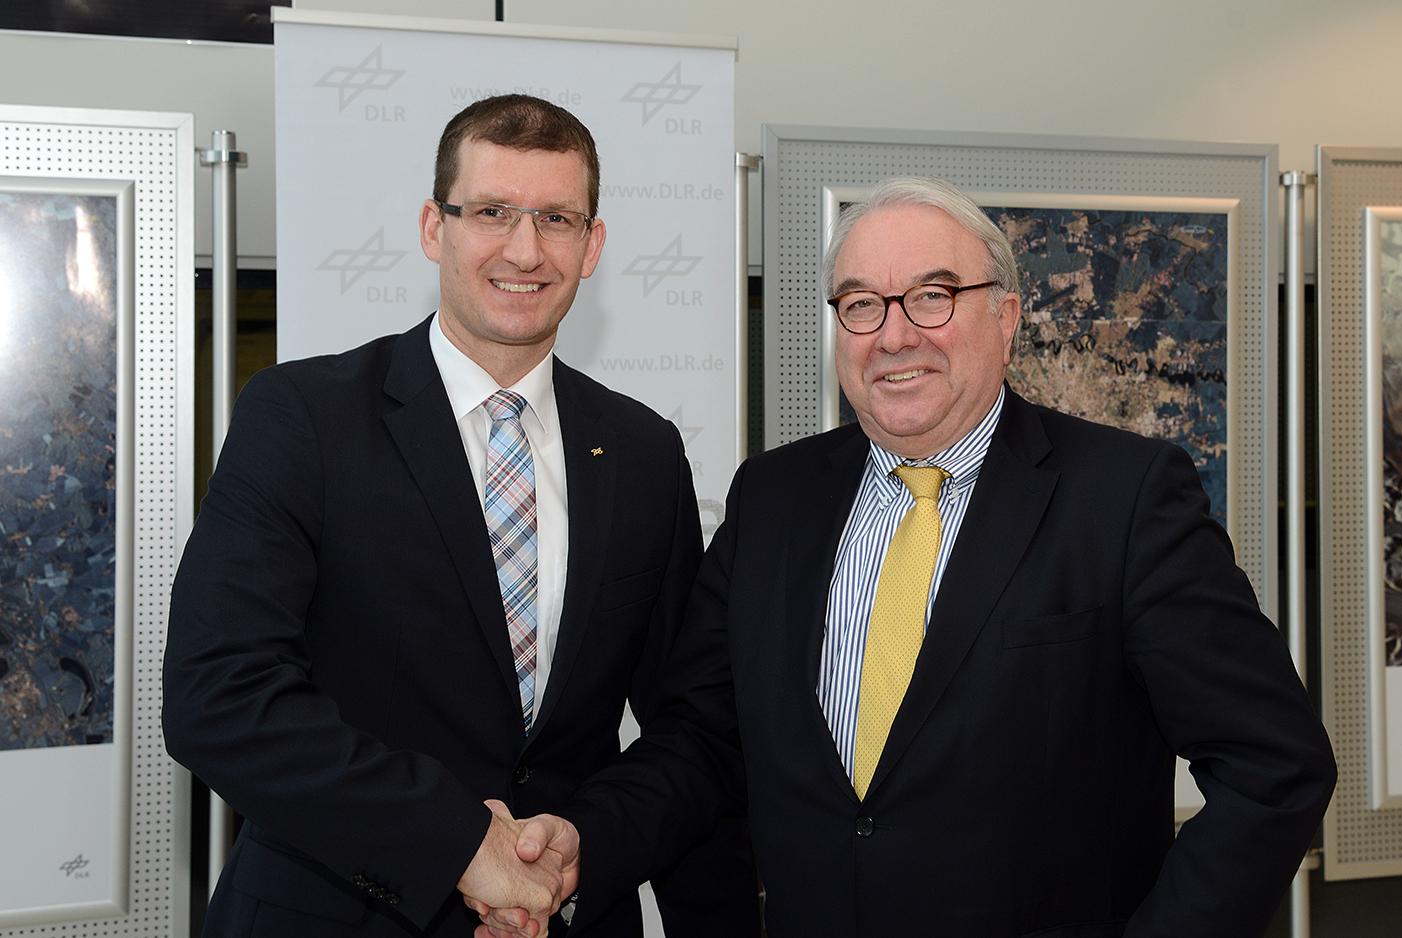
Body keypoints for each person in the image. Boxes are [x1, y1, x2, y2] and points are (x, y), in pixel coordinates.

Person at [490, 175, 1338, 937]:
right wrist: (582, 845)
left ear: (1005, 317)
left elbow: (1274, 765)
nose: (893, 335)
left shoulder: (1123, 499)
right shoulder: (772, 498)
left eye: (932, 296)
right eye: (861, 304)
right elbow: (703, 740)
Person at [162, 94, 757, 938]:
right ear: (433, 228)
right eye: (491, 212)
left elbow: (692, 727)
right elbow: (219, 695)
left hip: (563, 915)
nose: (525, 249)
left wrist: (580, 850)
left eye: (556, 218)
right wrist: (459, 844)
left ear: (591, 246)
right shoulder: (303, 418)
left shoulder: (643, 452)